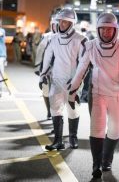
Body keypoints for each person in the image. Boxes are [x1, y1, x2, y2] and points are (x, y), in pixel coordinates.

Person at [67, 12, 119, 178]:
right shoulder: (91, 46)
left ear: (115, 30)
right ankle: (96, 165)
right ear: (98, 30)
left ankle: (107, 159)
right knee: (97, 129)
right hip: (98, 94)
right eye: (103, 29)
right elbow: (80, 71)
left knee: (115, 131)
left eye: (110, 29)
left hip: (117, 94)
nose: (106, 32)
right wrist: (72, 93)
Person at [39, 8, 87, 151]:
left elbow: (84, 63)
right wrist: (42, 76)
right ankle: (58, 141)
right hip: (56, 79)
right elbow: (47, 58)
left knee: (73, 110)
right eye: (61, 21)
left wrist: (76, 81)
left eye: (66, 22)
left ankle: (73, 137)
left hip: (73, 80)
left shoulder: (81, 39)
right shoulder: (53, 38)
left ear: (72, 23)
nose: (62, 24)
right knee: (55, 109)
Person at [35, 14, 58, 120]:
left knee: (56, 94)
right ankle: (49, 111)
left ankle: (55, 114)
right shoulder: (46, 36)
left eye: (57, 24)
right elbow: (40, 52)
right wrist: (38, 67)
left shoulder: (65, 38)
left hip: (59, 70)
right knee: (45, 91)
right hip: (46, 69)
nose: (56, 27)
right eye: (54, 24)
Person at [79, 20, 95, 102]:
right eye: (81, 26)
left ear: (87, 27)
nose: (82, 27)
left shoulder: (90, 36)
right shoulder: (80, 35)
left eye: (84, 26)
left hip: (87, 62)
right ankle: (82, 96)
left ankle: (84, 97)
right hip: (81, 61)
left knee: (86, 79)